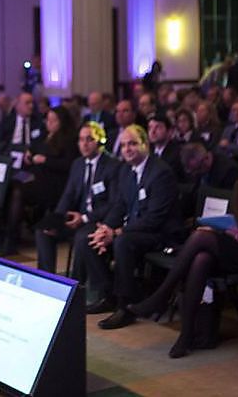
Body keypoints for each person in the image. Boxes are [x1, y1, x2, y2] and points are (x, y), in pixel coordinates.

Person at [127, 135, 238, 358]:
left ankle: (161, 295)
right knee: (201, 260)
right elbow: (236, 220)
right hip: (234, 245)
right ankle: (186, 334)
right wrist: (223, 229)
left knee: (200, 237)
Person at [82, 124, 178, 330]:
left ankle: (126, 306)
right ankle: (109, 295)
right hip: (134, 229)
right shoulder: (126, 170)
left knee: (122, 242)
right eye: (124, 145)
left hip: (159, 234)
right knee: (87, 237)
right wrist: (105, 228)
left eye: (132, 144)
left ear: (145, 144)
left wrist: (117, 232)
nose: (127, 149)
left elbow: (154, 219)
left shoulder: (160, 173)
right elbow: (120, 205)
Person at [34, 121, 121, 275]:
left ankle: (77, 284)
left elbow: (113, 203)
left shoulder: (113, 166)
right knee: (43, 231)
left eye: (89, 139)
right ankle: (47, 279)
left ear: (100, 141)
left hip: (97, 220)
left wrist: (85, 218)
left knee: (82, 238)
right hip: (77, 217)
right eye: (81, 140)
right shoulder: (78, 164)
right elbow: (68, 195)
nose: (84, 144)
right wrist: (57, 219)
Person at [0, 106, 79, 254]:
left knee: (18, 191)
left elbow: (68, 165)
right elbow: (33, 148)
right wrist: (29, 154)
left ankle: (11, 239)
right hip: (35, 174)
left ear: (62, 122)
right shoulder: (44, 135)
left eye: (54, 120)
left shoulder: (69, 140)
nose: (49, 123)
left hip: (53, 181)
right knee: (8, 183)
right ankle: (0, 232)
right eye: (48, 120)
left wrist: (45, 160)